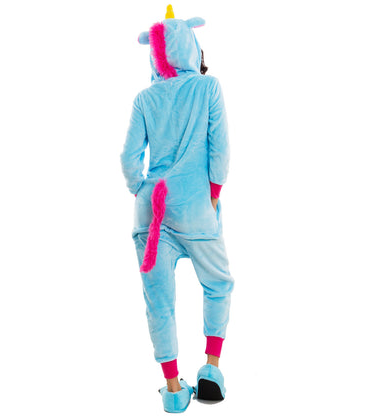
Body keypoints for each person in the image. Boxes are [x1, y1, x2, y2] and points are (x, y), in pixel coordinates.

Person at [120, 5, 234, 413]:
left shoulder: (144, 99)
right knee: (218, 283)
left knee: (159, 302)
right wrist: (214, 192)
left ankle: (172, 390)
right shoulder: (208, 88)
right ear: (191, 44)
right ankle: (211, 369)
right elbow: (220, 149)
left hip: (151, 215)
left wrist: (141, 191)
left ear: (156, 54)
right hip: (195, 207)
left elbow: (129, 158)